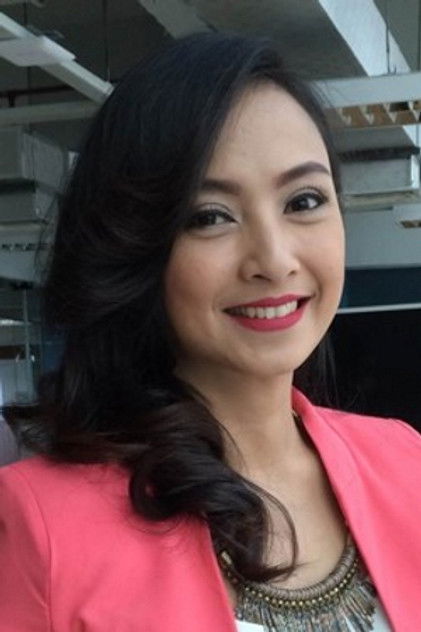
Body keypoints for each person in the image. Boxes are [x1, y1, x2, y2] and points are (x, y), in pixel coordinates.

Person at [0, 32, 420, 632]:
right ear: (136, 247)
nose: (273, 260)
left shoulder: (405, 461)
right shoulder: (43, 522)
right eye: (210, 216)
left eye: (303, 201)